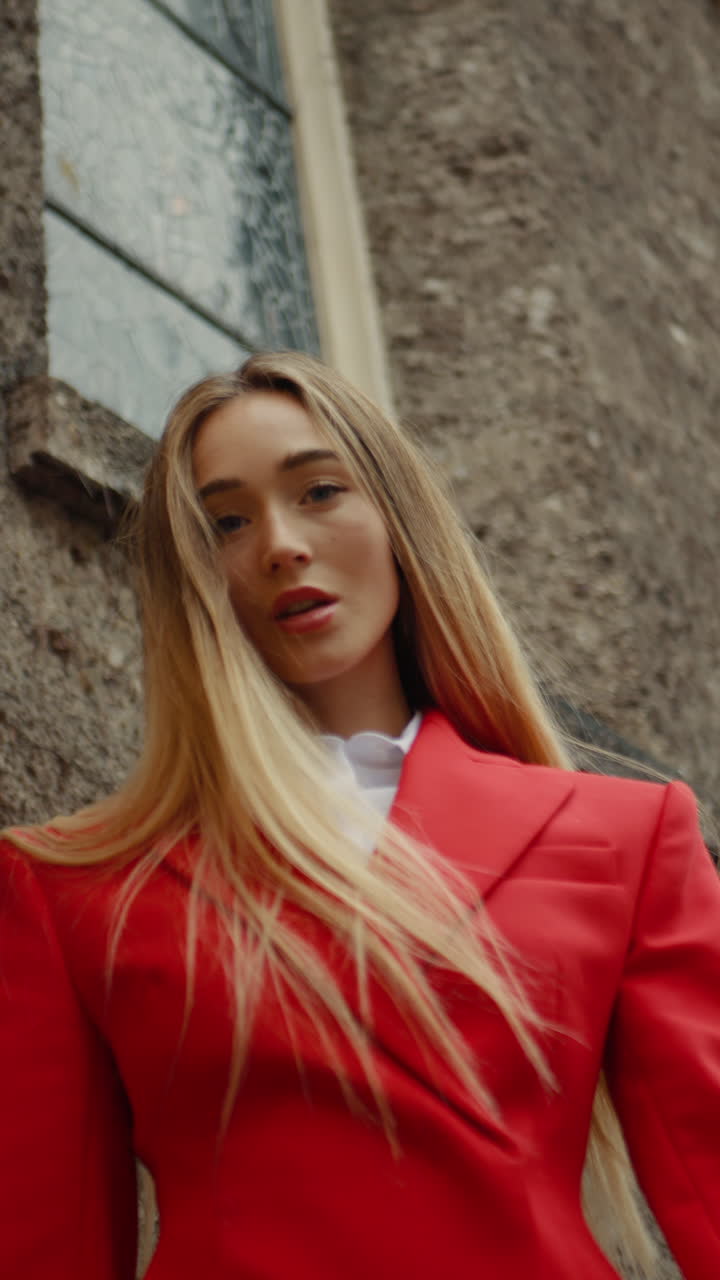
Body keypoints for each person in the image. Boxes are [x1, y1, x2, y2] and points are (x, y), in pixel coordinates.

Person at [1, 350, 718, 1280]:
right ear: (190, 580)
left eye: (321, 491)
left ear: (398, 519)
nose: (281, 544)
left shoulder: (623, 836)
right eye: (224, 521)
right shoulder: (74, 885)